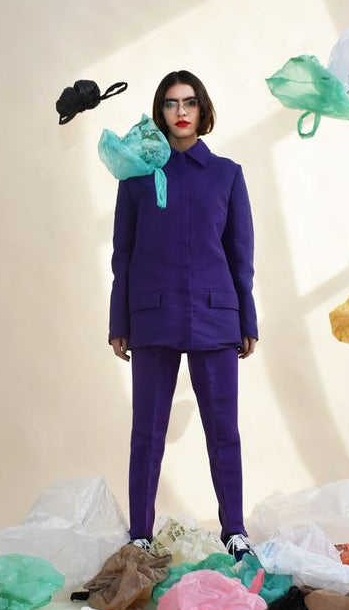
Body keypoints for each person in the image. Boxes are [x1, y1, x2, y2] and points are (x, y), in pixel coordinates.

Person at [108, 70, 258, 560]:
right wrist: (119, 322)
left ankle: (234, 529)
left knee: (223, 429)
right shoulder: (135, 176)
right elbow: (122, 255)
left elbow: (241, 256)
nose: (181, 111)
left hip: (216, 315)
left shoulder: (227, 174)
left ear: (202, 109)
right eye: (171, 103)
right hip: (152, 315)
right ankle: (140, 534)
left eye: (189, 102)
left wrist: (247, 319)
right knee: (146, 431)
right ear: (161, 112)